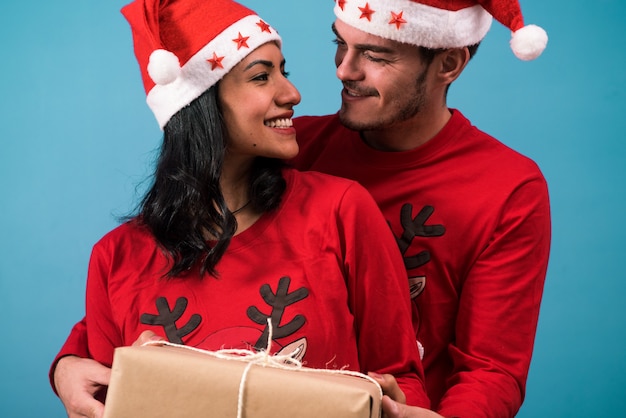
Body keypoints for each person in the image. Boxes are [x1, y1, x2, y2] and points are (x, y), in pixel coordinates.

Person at [51, 0, 552, 417]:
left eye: (375, 54)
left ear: (449, 63)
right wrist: (69, 364)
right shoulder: (288, 145)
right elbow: (135, 280)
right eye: (340, 43)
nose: (343, 70)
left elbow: (492, 368)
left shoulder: (508, 187)